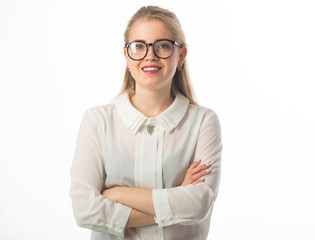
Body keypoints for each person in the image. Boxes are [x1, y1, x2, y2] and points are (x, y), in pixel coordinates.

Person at [70, 5, 222, 240]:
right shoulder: (97, 120)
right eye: (139, 46)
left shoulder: (203, 121)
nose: (150, 55)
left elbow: (198, 204)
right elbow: (85, 211)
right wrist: (177, 196)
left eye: (162, 46)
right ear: (126, 57)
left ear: (180, 56)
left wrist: (115, 194)